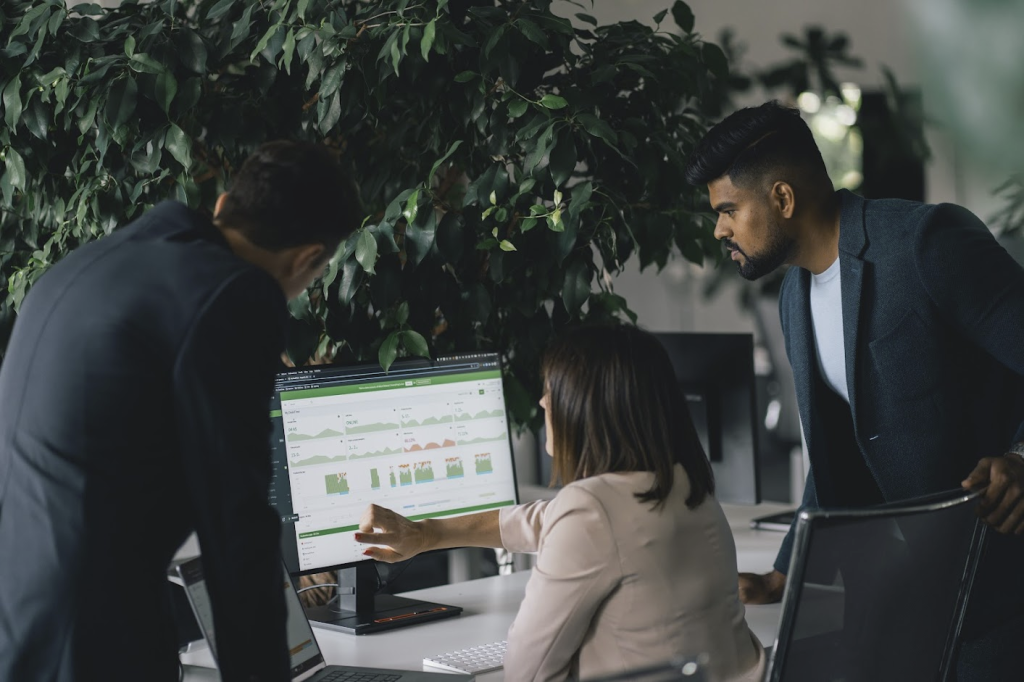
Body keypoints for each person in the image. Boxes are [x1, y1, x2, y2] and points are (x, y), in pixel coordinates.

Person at [683, 100, 1024, 680]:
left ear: (782, 199)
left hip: (1000, 589)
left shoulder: (924, 243)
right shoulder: (793, 297)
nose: (720, 229)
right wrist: (787, 571)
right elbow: (837, 451)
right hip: (913, 600)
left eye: (729, 210)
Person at [0, 141, 360, 681]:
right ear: (309, 258)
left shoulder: (95, 261)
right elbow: (235, 528)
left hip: (19, 621)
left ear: (221, 207)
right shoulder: (234, 296)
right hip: (92, 636)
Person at [356, 324, 766, 682]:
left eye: (552, 391)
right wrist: (429, 533)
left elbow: (528, 672)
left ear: (586, 409)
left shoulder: (592, 509)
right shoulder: (684, 482)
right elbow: (543, 519)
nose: (542, 403)